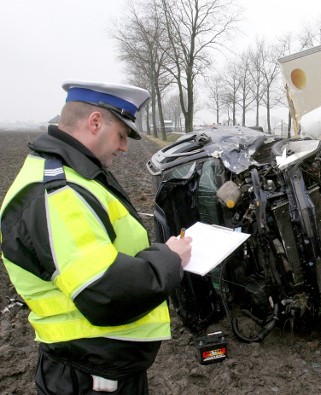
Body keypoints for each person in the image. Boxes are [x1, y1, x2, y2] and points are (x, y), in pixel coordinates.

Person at [0, 81, 192, 394]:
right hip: (89, 378)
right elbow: (104, 290)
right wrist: (169, 258)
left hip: (95, 369)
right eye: (121, 135)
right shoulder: (58, 192)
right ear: (95, 122)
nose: (124, 147)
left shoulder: (72, 175)